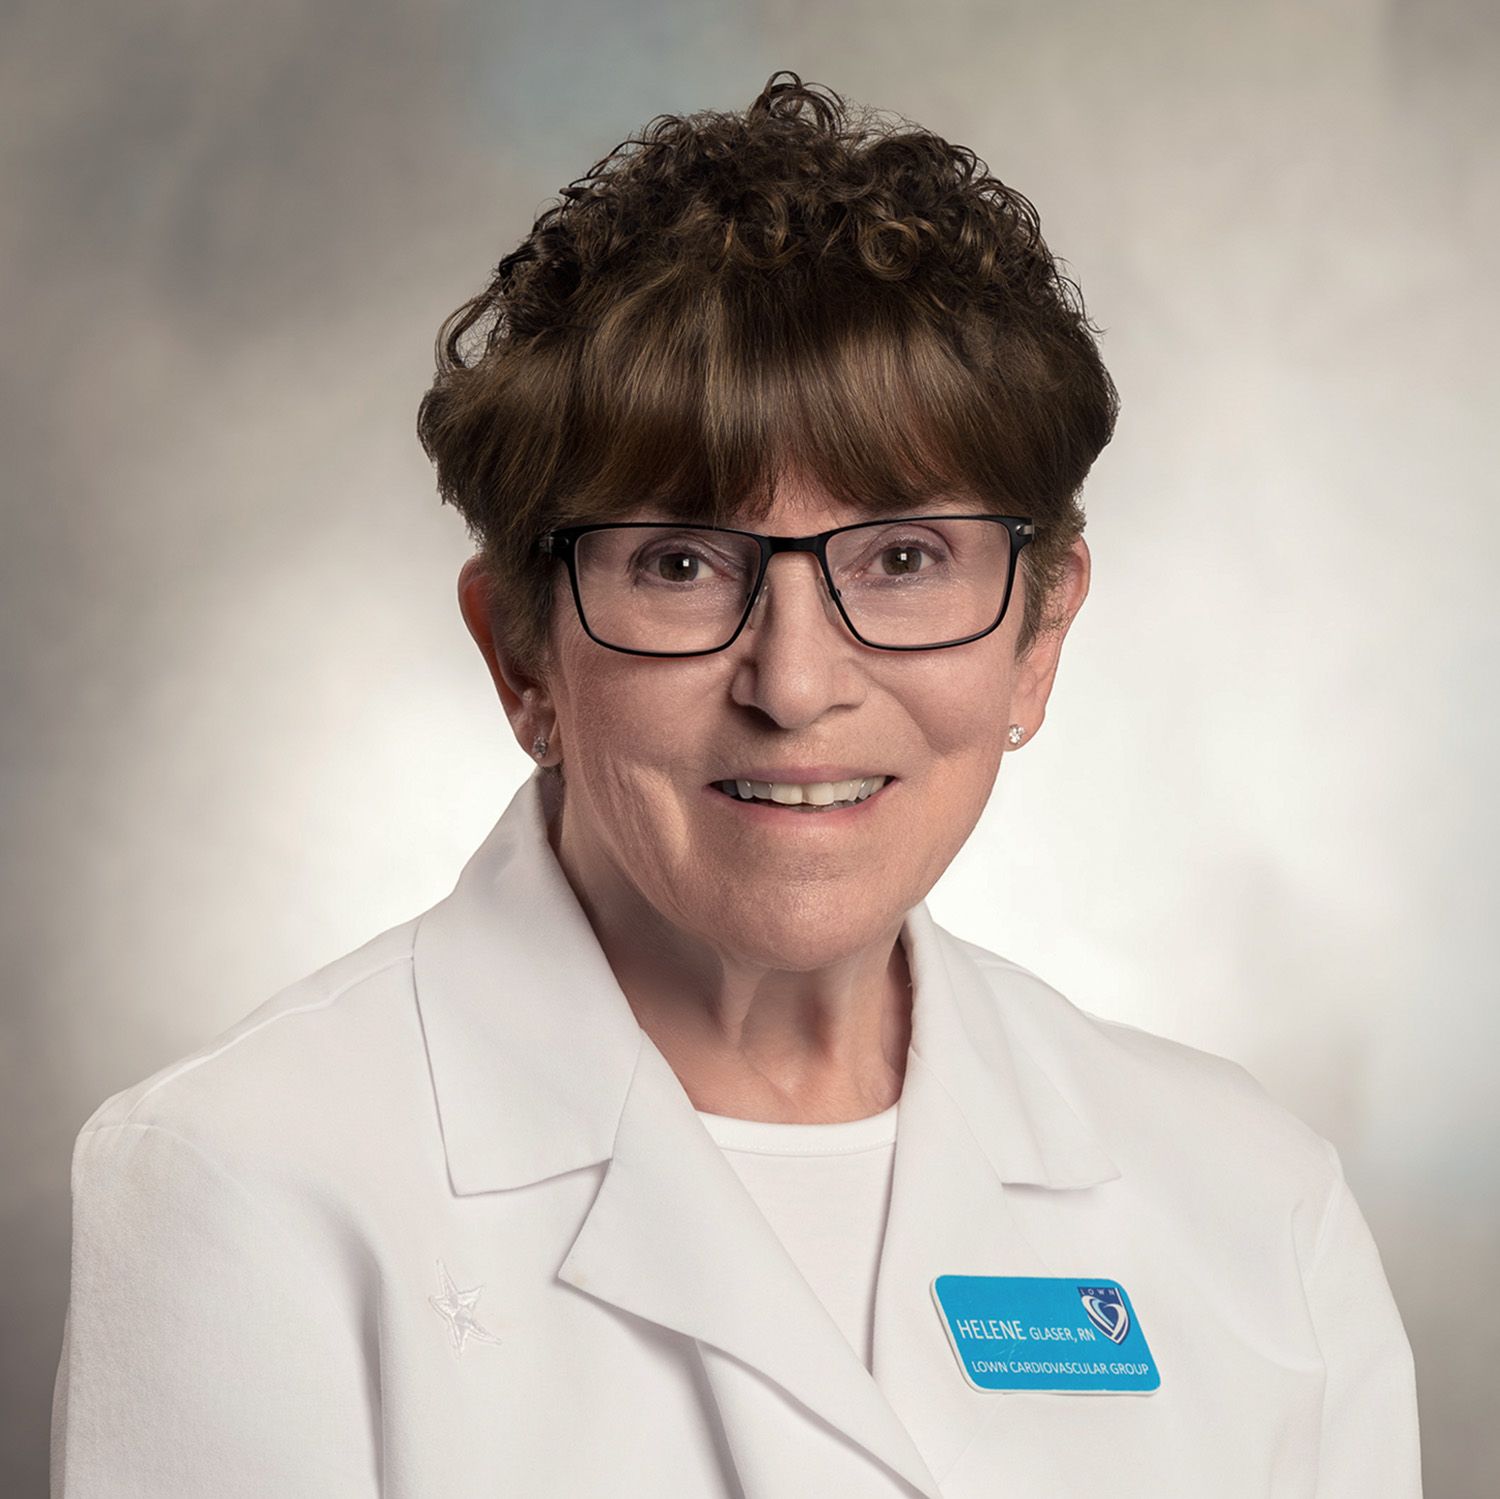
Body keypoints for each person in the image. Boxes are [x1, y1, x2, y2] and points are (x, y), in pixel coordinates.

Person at [50, 71, 1421, 1498]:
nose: (796, 683)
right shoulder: (245, 1180)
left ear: (1038, 638)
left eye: (901, 558)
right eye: (680, 562)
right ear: (519, 653)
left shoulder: (1255, 1208)